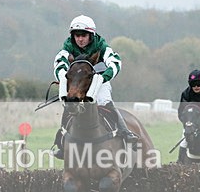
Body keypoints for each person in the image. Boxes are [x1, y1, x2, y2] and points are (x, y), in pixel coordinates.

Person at [51, 15, 138, 159]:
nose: (79, 39)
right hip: (78, 82)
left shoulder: (101, 46)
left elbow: (115, 62)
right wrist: (62, 76)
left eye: (83, 35)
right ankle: (62, 140)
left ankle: (125, 132)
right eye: (76, 35)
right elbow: (59, 62)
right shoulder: (68, 47)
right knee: (69, 105)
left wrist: (103, 77)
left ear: (91, 35)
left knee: (105, 101)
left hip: (98, 80)